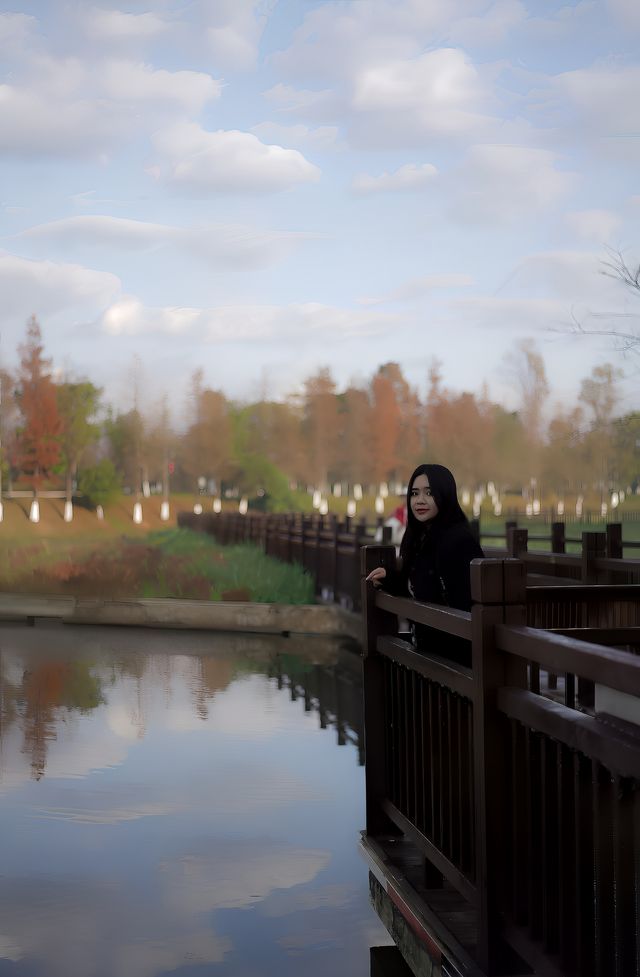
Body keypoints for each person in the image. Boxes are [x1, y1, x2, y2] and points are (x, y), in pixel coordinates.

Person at [365, 464, 484, 662]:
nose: (420, 500)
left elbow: (461, 604)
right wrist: (389, 578)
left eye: (429, 493)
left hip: (456, 658)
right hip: (427, 652)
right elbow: (420, 585)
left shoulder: (458, 540)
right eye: (414, 493)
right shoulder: (419, 537)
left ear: (444, 494)